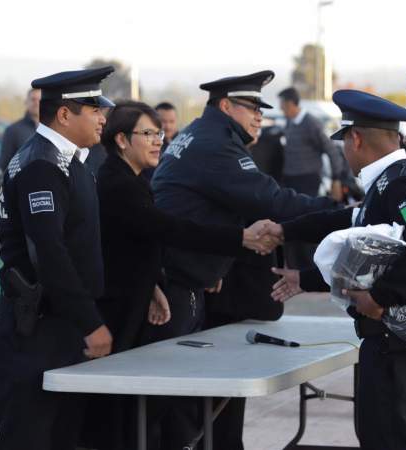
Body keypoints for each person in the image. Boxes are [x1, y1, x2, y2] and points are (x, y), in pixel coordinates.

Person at [150, 70, 338, 449]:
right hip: (177, 282)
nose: (259, 116)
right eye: (251, 107)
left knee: (197, 396)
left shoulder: (201, 133)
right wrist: (341, 214)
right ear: (225, 106)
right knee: (180, 398)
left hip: (189, 275)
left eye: (261, 108)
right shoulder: (215, 144)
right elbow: (270, 199)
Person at [80, 100, 277, 450]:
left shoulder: (131, 178)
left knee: (139, 413)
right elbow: (167, 229)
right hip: (115, 312)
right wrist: (239, 238)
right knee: (119, 417)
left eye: (159, 132)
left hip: (135, 301)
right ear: (122, 140)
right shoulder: (117, 183)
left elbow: (137, 242)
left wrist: (155, 281)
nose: (159, 140)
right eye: (148, 134)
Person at [267, 89, 406, 450]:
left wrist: (380, 298)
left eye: (344, 142)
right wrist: (286, 234)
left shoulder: (401, 183)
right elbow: (351, 221)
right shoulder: (389, 181)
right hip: (390, 345)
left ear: (355, 138)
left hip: (400, 348)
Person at [0, 66, 116, 450]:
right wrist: (91, 323)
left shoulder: (69, 161)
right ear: (64, 114)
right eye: (94, 109)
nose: (103, 117)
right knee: (30, 439)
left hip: (59, 325)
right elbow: (49, 252)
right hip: (34, 330)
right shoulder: (41, 165)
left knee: (64, 438)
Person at [278, 86, 345, 270]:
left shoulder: (311, 123)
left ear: (291, 104)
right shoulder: (289, 123)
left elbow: (331, 150)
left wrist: (336, 179)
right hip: (290, 181)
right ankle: (295, 267)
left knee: (306, 224)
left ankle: (309, 268)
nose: (281, 109)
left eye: (283, 105)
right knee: (290, 223)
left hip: (307, 180)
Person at [0, 87, 40, 171]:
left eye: (39, 100)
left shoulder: (51, 129)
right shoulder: (12, 131)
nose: (36, 103)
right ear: (26, 102)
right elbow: (4, 165)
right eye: (33, 99)